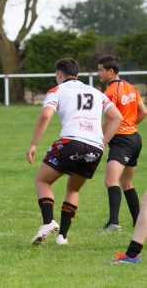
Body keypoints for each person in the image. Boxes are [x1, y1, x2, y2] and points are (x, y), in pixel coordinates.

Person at [26, 58, 123, 246]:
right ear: (77, 75)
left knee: (42, 180)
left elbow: (46, 115)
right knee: (73, 188)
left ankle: (48, 222)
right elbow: (117, 118)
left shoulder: (57, 91)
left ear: (59, 74)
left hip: (71, 142)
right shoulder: (97, 93)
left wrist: (33, 144)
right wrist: (102, 142)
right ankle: (62, 236)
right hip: (95, 147)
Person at [97, 55, 147, 230]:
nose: (98, 73)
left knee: (111, 181)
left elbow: (109, 121)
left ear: (111, 71)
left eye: (101, 70)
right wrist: (130, 124)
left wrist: (101, 141)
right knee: (127, 184)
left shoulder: (110, 92)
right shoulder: (131, 87)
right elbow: (143, 111)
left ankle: (114, 222)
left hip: (122, 142)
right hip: (135, 139)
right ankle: (138, 222)